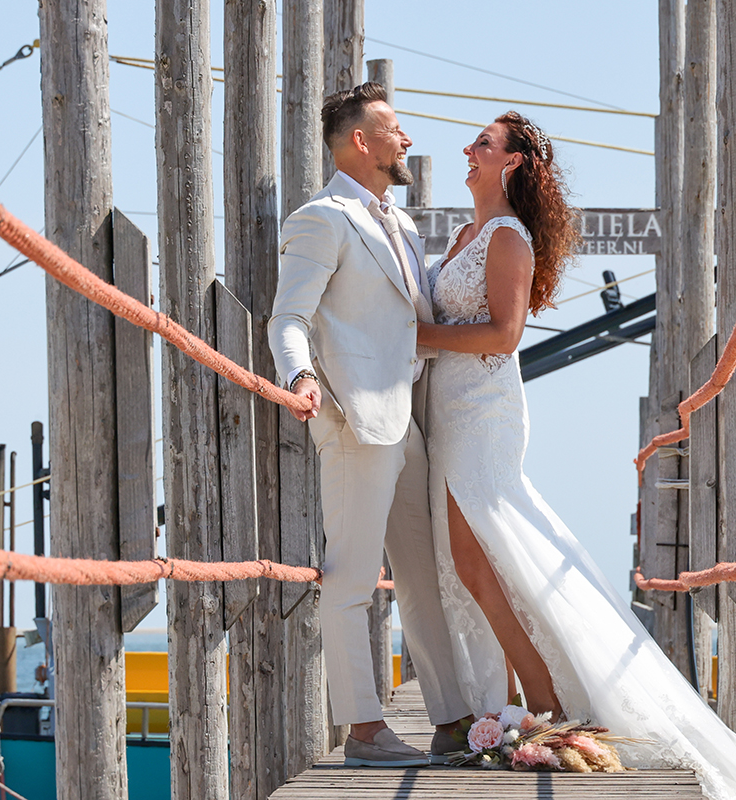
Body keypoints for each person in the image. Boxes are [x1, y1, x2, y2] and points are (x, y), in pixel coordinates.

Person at [418, 110, 736, 799]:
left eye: (483, 144)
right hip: (445, 406)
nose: (468, 148)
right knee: (480, 560)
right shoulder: (465, 235)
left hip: (483, 408)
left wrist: (414, 333)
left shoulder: (508, 238)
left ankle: (543, 705)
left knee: (477, 556)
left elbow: (504, 335)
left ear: (511, 162)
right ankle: (517, 701)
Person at [268, 82, 473, 768]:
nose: (407, 139)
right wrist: (300, 378)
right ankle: (362, 730)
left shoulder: (402, 223)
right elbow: (288, 317)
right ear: (361, 140)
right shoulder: (320, 219)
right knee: (352, 578)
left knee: (423, 574)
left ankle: (451, 718)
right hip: (355, 419)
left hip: (409, 418)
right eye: (395, 128)